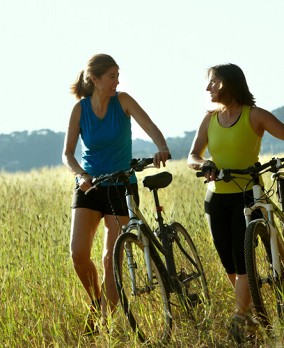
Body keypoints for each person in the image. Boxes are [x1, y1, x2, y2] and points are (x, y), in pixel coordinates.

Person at [62, 53, 171, 334]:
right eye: (111, 76)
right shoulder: (80, 110)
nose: (117, 81)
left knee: (112, 256)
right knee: (78, 254)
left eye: (117, 75)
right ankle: (96, 301)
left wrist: (161, 146)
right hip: (90, 186)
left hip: (122, 185)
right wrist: (80, 175)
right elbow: (67, 154)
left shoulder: (123, 100)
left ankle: (105, 323)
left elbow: (148, 125)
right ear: (94, 79)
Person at [187, 63, 284, 343]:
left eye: (213, 82)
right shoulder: (209, 119)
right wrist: (204, 163)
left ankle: (240, 317)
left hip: (248, 195)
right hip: (216, 199)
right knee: (230, 264)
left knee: (243, 263)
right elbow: (193, 155)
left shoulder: (254, 116)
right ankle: (250, 311)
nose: (208, 88)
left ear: (229, 83)